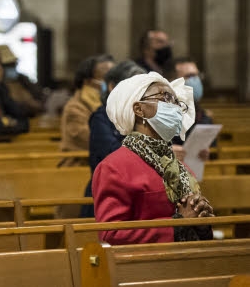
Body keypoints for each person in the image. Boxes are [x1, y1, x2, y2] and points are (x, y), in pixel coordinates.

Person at [92, 72, 215, 244]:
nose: (176, 107)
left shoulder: (180, 166)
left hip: (189, 261)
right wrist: (178, 224)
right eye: (166, 97)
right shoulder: (113, 167)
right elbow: (110, 232)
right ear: (139, 109)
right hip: (144, 266)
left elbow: (196, 225)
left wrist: (202, 222)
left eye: (177, 101)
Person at [80, 59, 145, 217]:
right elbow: (111, 154)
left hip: (138, 191)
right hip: (108, 193)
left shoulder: (143, 117)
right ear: (112, 87)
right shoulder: (101, 117)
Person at [59, 54, 115, 166]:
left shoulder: (112, 102)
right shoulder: (75, 107)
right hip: (81, 166)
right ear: (87, 81)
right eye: (105, 78)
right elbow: (96, 141)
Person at [163, 57, 214, 162]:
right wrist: (164, 151)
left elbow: (211, 149)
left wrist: (206, 154)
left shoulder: (203, 115)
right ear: (173, 81)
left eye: (197, 75)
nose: (196, 80)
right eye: (189, 76)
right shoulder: (158, 113)